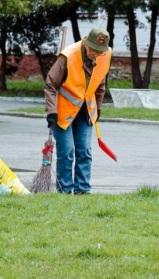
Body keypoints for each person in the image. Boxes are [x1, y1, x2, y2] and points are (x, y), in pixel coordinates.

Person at [44, 28, 112, 194]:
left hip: (86, 111)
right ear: (86, 43)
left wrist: (99, 107)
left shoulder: (105, 55)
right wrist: (51, 111)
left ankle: (83, 191)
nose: (96, 55)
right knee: (67, 153)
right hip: (63, 112)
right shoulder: (68, 56)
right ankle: (65, 191)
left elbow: (100, 84)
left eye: (99, 52)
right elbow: (50, 85)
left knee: (85, 152)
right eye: (93, 51)